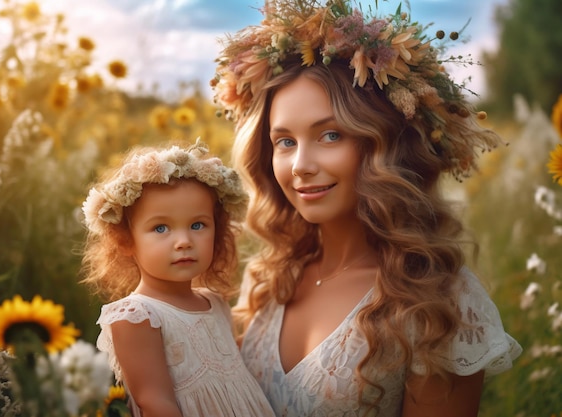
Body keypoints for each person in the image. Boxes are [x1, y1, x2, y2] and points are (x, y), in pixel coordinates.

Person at [210, 1, 522, 416]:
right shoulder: (265, 281)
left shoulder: (438, 303)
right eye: (285, 141)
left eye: (331, 135)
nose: (301, 165)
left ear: (384, 145)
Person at [80, 141, 275, 417]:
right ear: (125, 240)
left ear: (217, 231)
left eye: (198, 225)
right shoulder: (137, 316)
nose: (183, 241)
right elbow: (155, 403)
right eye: (161, 228)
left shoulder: (214, 302)